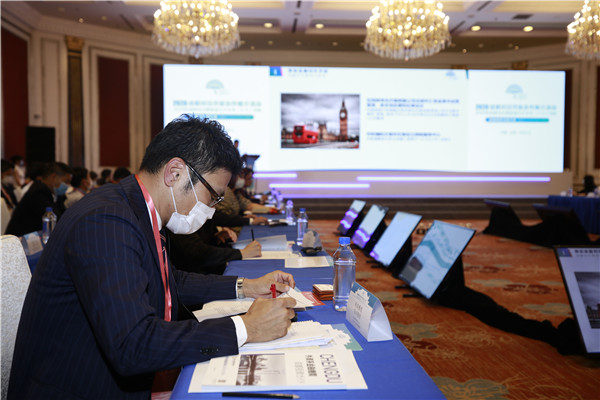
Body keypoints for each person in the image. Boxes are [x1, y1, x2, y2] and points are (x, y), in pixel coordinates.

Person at [8, 115, 296, 400]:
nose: (211, 211)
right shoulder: (106, 221)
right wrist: (246, 328)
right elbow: (134, 344)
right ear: (175, 172)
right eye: (212, 196)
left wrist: (247, 286)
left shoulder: (136, 209)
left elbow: (169, 280)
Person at [5, 162, 72, 236]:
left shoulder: (54, 193)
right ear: (53, 177)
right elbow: (56, 219)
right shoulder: (38, 192)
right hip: (20, 239)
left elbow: (64, 216)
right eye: (66, 182)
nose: (67, 186)